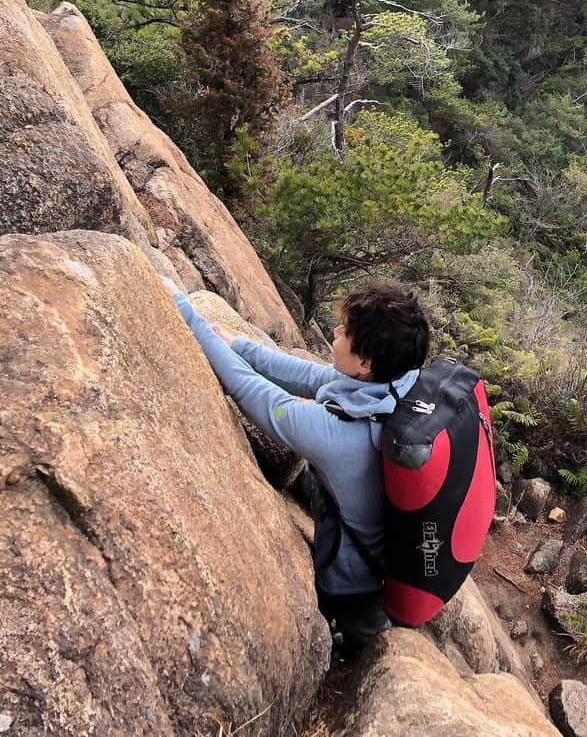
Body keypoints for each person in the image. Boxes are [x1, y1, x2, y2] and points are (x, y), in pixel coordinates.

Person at [170, 278, 430, 659]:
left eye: (346, 333)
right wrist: (239, 345)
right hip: (381, 544)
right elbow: (314, 377)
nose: (335, 331)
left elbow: (253, 392)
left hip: (353, 579)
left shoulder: (339, 437)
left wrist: (183, 311)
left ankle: (353, 651)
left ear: (364, 363)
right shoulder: (398, 382)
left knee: (361, 648)